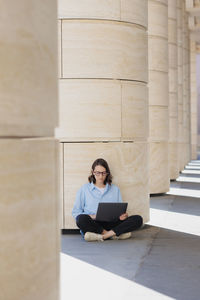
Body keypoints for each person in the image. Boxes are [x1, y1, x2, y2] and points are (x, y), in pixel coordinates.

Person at [72, 158, 143, 242]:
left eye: (103, 173)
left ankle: (102, 236)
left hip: (112, 223)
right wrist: (93, 216)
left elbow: (119, 211)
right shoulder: (84, 189)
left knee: (138, 219)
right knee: (80, 219)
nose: (101, 176)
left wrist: (122, 216)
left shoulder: (115, 189)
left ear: (107, 173)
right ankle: (112, 234)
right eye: (98, 173)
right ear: (93, 172)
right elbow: (76, 213)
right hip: (94, 223)